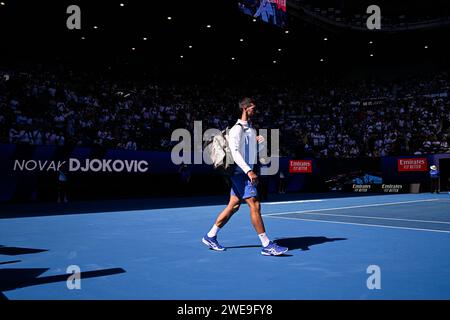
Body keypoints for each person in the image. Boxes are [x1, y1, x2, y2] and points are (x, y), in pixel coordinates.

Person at [202, 97, 288, 256]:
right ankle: (266, 244)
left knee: (234, 204)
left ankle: (210, 236)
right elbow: (234, 153)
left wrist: (260, 144)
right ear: (245, 108)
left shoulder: (251, 129)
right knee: (255, 204)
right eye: (253, 107)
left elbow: (251, 153)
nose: (255, 110)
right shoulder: (237, 129)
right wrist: (249, 171)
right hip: (240, 172)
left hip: (244, 170)